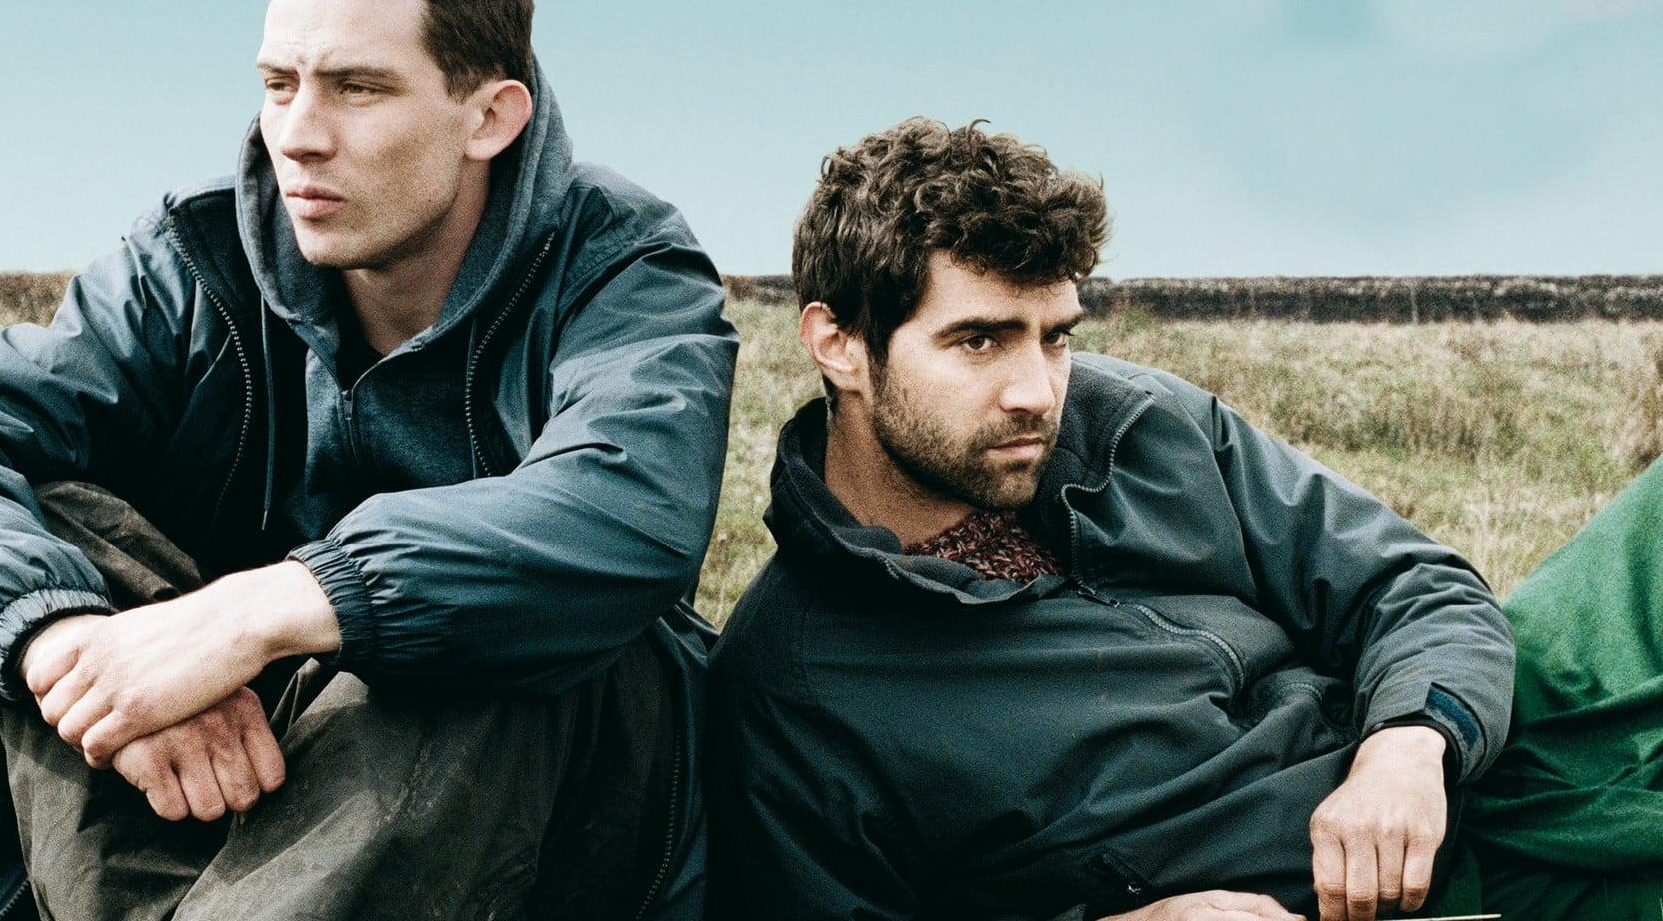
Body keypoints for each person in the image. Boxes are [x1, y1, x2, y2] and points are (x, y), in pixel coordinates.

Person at [0, 0, 735, 921]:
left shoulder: (618, 265)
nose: (298, 136)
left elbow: (628, 508)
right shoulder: (191, 263)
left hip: (535, 810)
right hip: (210, 781)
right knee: (46, 536)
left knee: (497, 618)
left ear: (490, 117)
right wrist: (76, 649)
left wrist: (263, 613)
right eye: (279, 85)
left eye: (358, 89)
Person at [705, 117, 1663, 920]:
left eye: (1055, 337)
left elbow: (1414, 585)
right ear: (838, 342)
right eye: (979, 341)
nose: (1037, 392)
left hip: (1470, 749)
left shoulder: (1134, 420)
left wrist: (1410, 743)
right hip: (1401, 900)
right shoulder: (793, 687)